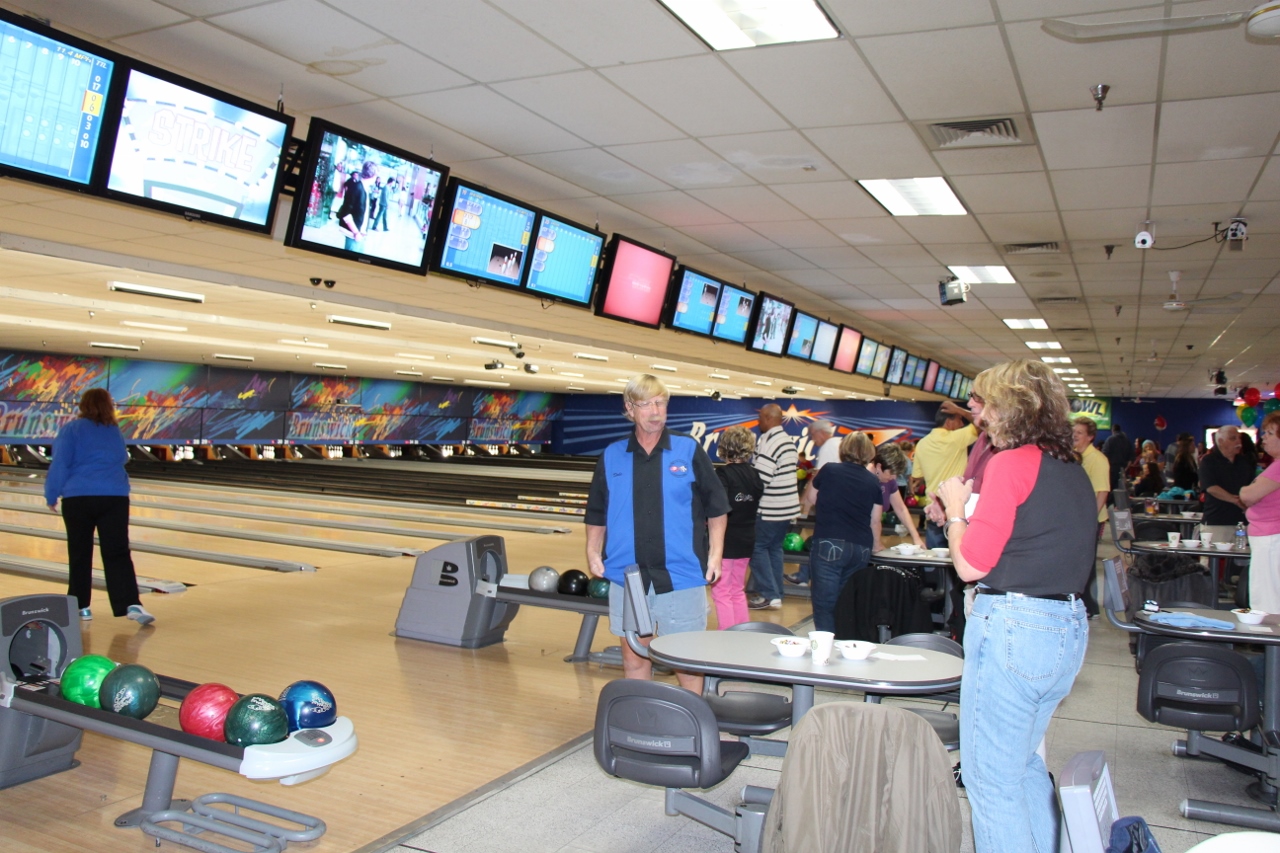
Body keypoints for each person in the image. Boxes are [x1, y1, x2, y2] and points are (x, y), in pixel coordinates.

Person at [934, 360, 1095, 853]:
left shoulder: (1010, 462)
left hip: (1015, 627)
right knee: (1023, 762)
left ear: (1010, 408)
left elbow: (970, 566)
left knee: (989, 780)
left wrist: (957, 509)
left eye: (987, 406)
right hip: (1066, 628)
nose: (980, 418)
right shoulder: (1071, 468)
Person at [585, 374, 728, 692]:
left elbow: (716, 507)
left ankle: (692, 731)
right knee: (635, 659)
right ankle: (644, 723)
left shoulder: (688, 450)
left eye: (660, 403)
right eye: (647, 404)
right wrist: (593, 551)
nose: (655, 411)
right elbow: (597, 511)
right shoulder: (612, 455)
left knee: (688, 666)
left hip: (682, 575)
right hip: (628, 576)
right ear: (630, 409)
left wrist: (716, 554)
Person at [44, 389, 155, 625]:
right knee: (118, 552)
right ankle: (131, 604)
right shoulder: (114, 431)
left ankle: (80, 606)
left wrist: (52, 494)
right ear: (109, 405)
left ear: (83, 405)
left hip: (78, 498)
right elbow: (121, 459)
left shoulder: (72, 429)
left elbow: (60, 463)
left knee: (80, 553)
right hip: (114, 497)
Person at [808, 433, 882, 633]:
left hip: (829, 542)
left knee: (825, 605)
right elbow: (875, 520)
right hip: (860, 548)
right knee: (846, 603)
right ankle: (844, 647)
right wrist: (876, 546)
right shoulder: (873, 481)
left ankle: (825, 651)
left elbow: (812, 497)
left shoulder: (829, 470)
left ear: (843, 450)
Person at [747, 403, 800, 610]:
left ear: (769, 418)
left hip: (770, 508)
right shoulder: (787, 440)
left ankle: (770, 594)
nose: (758, 421)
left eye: (760, 417)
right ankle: (777, 593)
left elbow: (761, 479)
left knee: (756, 548)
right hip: (786, 509)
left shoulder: (769, 441)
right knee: (774, 549)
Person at [712, 426, 762, 629]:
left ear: (724, 448)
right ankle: (742, 633)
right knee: (737, 589)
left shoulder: (723, 474)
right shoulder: (755, 475)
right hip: (747, 537)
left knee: (721, 590)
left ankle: (727, 635)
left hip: (726, 538)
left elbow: (720, 506)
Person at [912, 400, 978, 549]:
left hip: (933, 512)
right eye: (959, 420)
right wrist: (960, 410)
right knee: (958, 563)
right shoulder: (956, 439)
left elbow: (917, 476)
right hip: (956, 510)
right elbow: (981, 423)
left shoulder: (922, 443)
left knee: (935, 564)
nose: (962, 424)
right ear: (949, 422)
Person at [789, 419, 838, 586]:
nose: (812, 439)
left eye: (812, 435)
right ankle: (805, 575)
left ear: (821, 432)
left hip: (830, 506)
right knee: (819, 539)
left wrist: (803, 506)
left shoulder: (828, 446)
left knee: (817, 540)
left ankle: (805, 576)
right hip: (841, 506)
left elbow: (816, 479)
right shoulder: (840, 443)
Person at [1072, 416, 1110, 618]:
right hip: (1076, 519)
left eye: (1079, 433)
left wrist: (1089, 522)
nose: (1074, 436)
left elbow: (1102, 493)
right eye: (1073, 431)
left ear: (1090, 437)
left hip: (1090, 520)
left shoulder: (1098, 459)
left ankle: (1089, 606)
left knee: (1085, 563)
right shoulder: (1073, 456)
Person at [1243, 412, 1280, 612]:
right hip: (1270, 538)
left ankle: (1272, 642)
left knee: (1267, 603)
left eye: (1270, 433)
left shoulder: (1278, 468)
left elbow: (1248, 495)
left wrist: (1245, 490)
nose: (1264, 437)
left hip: (1271, 540)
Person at [1198, 425, 1254, 544]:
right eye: (1233, 438)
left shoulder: (1244, 462)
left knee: (1241, 561)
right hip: (1217, 521)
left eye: (1239, 438)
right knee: (1212, 561)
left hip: (1242, 521)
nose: (1238, 442)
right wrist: (1236, 501)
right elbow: (1211, 488)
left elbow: (1250, 486)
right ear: (1220, 441)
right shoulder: (1208, 461)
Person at [869, 442, 925, 552]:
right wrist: (876, 543)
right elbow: (872, 520)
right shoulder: (865, 479)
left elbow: (901, 509)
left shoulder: (889, 481)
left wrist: (916, 537)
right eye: (891, 472)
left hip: (872, 536)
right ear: (879, 467)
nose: (894, 477)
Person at [337, 161, 377, 251]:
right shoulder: (357, 188)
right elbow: (346, 212)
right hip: (354, 235)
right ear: (373, 175)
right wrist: (356, 233)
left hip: (359, 234)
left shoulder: (364, 189)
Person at [1102, 423, 1134, 493]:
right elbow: (1131, 457)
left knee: (1110, 488)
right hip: (1123, 469)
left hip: (1112, 469)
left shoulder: (1110, 439)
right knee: (1121, 490)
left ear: (1112, 430)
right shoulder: (1127, 441)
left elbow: (1104, 454)